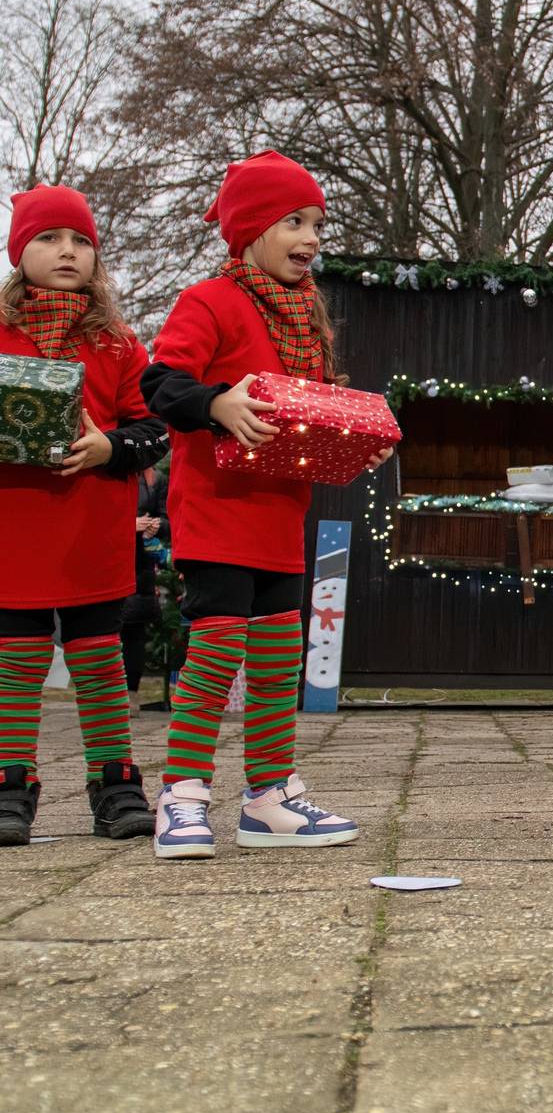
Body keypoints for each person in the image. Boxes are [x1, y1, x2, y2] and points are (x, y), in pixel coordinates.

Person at [142, 152, 389, 858]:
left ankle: (269, 797)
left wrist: (353, 442)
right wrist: (215, 402)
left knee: (280, 657)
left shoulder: (307, 316)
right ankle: (182, 798)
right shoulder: (208, 300)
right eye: (293, 221)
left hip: (282, 517)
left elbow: (305, 412)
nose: (311, 237)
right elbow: (161, 383)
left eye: (317, 223)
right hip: (217, 513)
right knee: (218, 652)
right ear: (249, 227)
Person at [0, 185, 168, 845]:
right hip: (16, 528)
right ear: (20, 252)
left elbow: (155, 427)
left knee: (99, 658)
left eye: (81, 242)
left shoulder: (120, 343)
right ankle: (11, 784)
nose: (67, 251)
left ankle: (116, 783)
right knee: (16, 659)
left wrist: (109, 447)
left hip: (95, 528)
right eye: (49, 238)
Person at [122, 464, 170, 706]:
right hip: (109, 559)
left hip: (139, 566)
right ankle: (103, 695)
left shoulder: (155, 479)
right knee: (102, 631)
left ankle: (131, 694)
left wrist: (156, 525)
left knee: (134, 633)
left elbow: (168, 518)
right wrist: (128, 525)